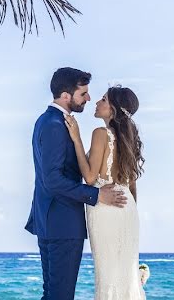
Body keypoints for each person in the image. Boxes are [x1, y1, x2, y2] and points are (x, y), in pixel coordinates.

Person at [26, 68, 128, 300]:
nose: (88, 98)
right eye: (83, 94)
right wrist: (96, 195)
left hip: (51, 219)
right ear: (65, 96)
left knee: (53, 294)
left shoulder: (47, 120)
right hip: (62, 222)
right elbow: (52, 179)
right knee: (60, 296)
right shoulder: (54, 125)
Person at [64, 85, 146, 300]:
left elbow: (90, 178)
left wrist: (76, 139)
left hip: (106, 208)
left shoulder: (100, 134)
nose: (97, 102)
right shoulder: (130, 139)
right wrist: (128, 213)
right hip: (127, 208)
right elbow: (132, 186)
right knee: (126, 274)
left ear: (114, 109)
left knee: (108, 275)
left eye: (103, 99)